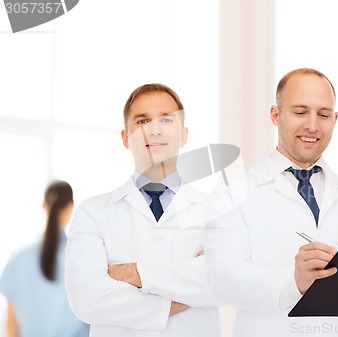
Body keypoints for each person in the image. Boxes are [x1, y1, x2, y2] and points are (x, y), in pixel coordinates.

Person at [205, 68, 338, 337]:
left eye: (323, 114)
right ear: (275, 114)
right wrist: (293, 281)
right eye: (300, 112)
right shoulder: (232, 194)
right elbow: (221, 278)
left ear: (335, 119)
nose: (312, 125)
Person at [65, 84, 221, 337]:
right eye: (142, 120)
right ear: (126, 137)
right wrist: (182, 293)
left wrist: (132, 273)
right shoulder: (93, 212)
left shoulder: (217, 211)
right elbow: (86, 298)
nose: (154, 129)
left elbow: (226, 283)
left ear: (183, 135)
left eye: (166, 119)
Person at [0, 180, 89, 337]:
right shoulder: (83, 257)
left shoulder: (18, 258)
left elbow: (11, 323)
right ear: (71, 206)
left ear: (44, 206)